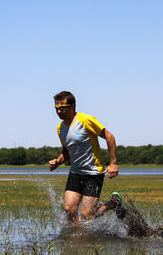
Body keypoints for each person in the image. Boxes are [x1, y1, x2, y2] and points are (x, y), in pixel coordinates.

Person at [48, 91, 124, 229]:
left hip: (93, 173)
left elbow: (109, 136)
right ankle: (79, 241)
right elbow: (66, 152)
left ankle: (112, 204)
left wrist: (113, 164)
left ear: (73, 106)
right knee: (69, 210)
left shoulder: (85, 120)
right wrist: (57, 162)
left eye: (63, 108)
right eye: (56, 108)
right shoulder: (60, 129)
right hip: (75, 173)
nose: (59, 111)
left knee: (86, 214)